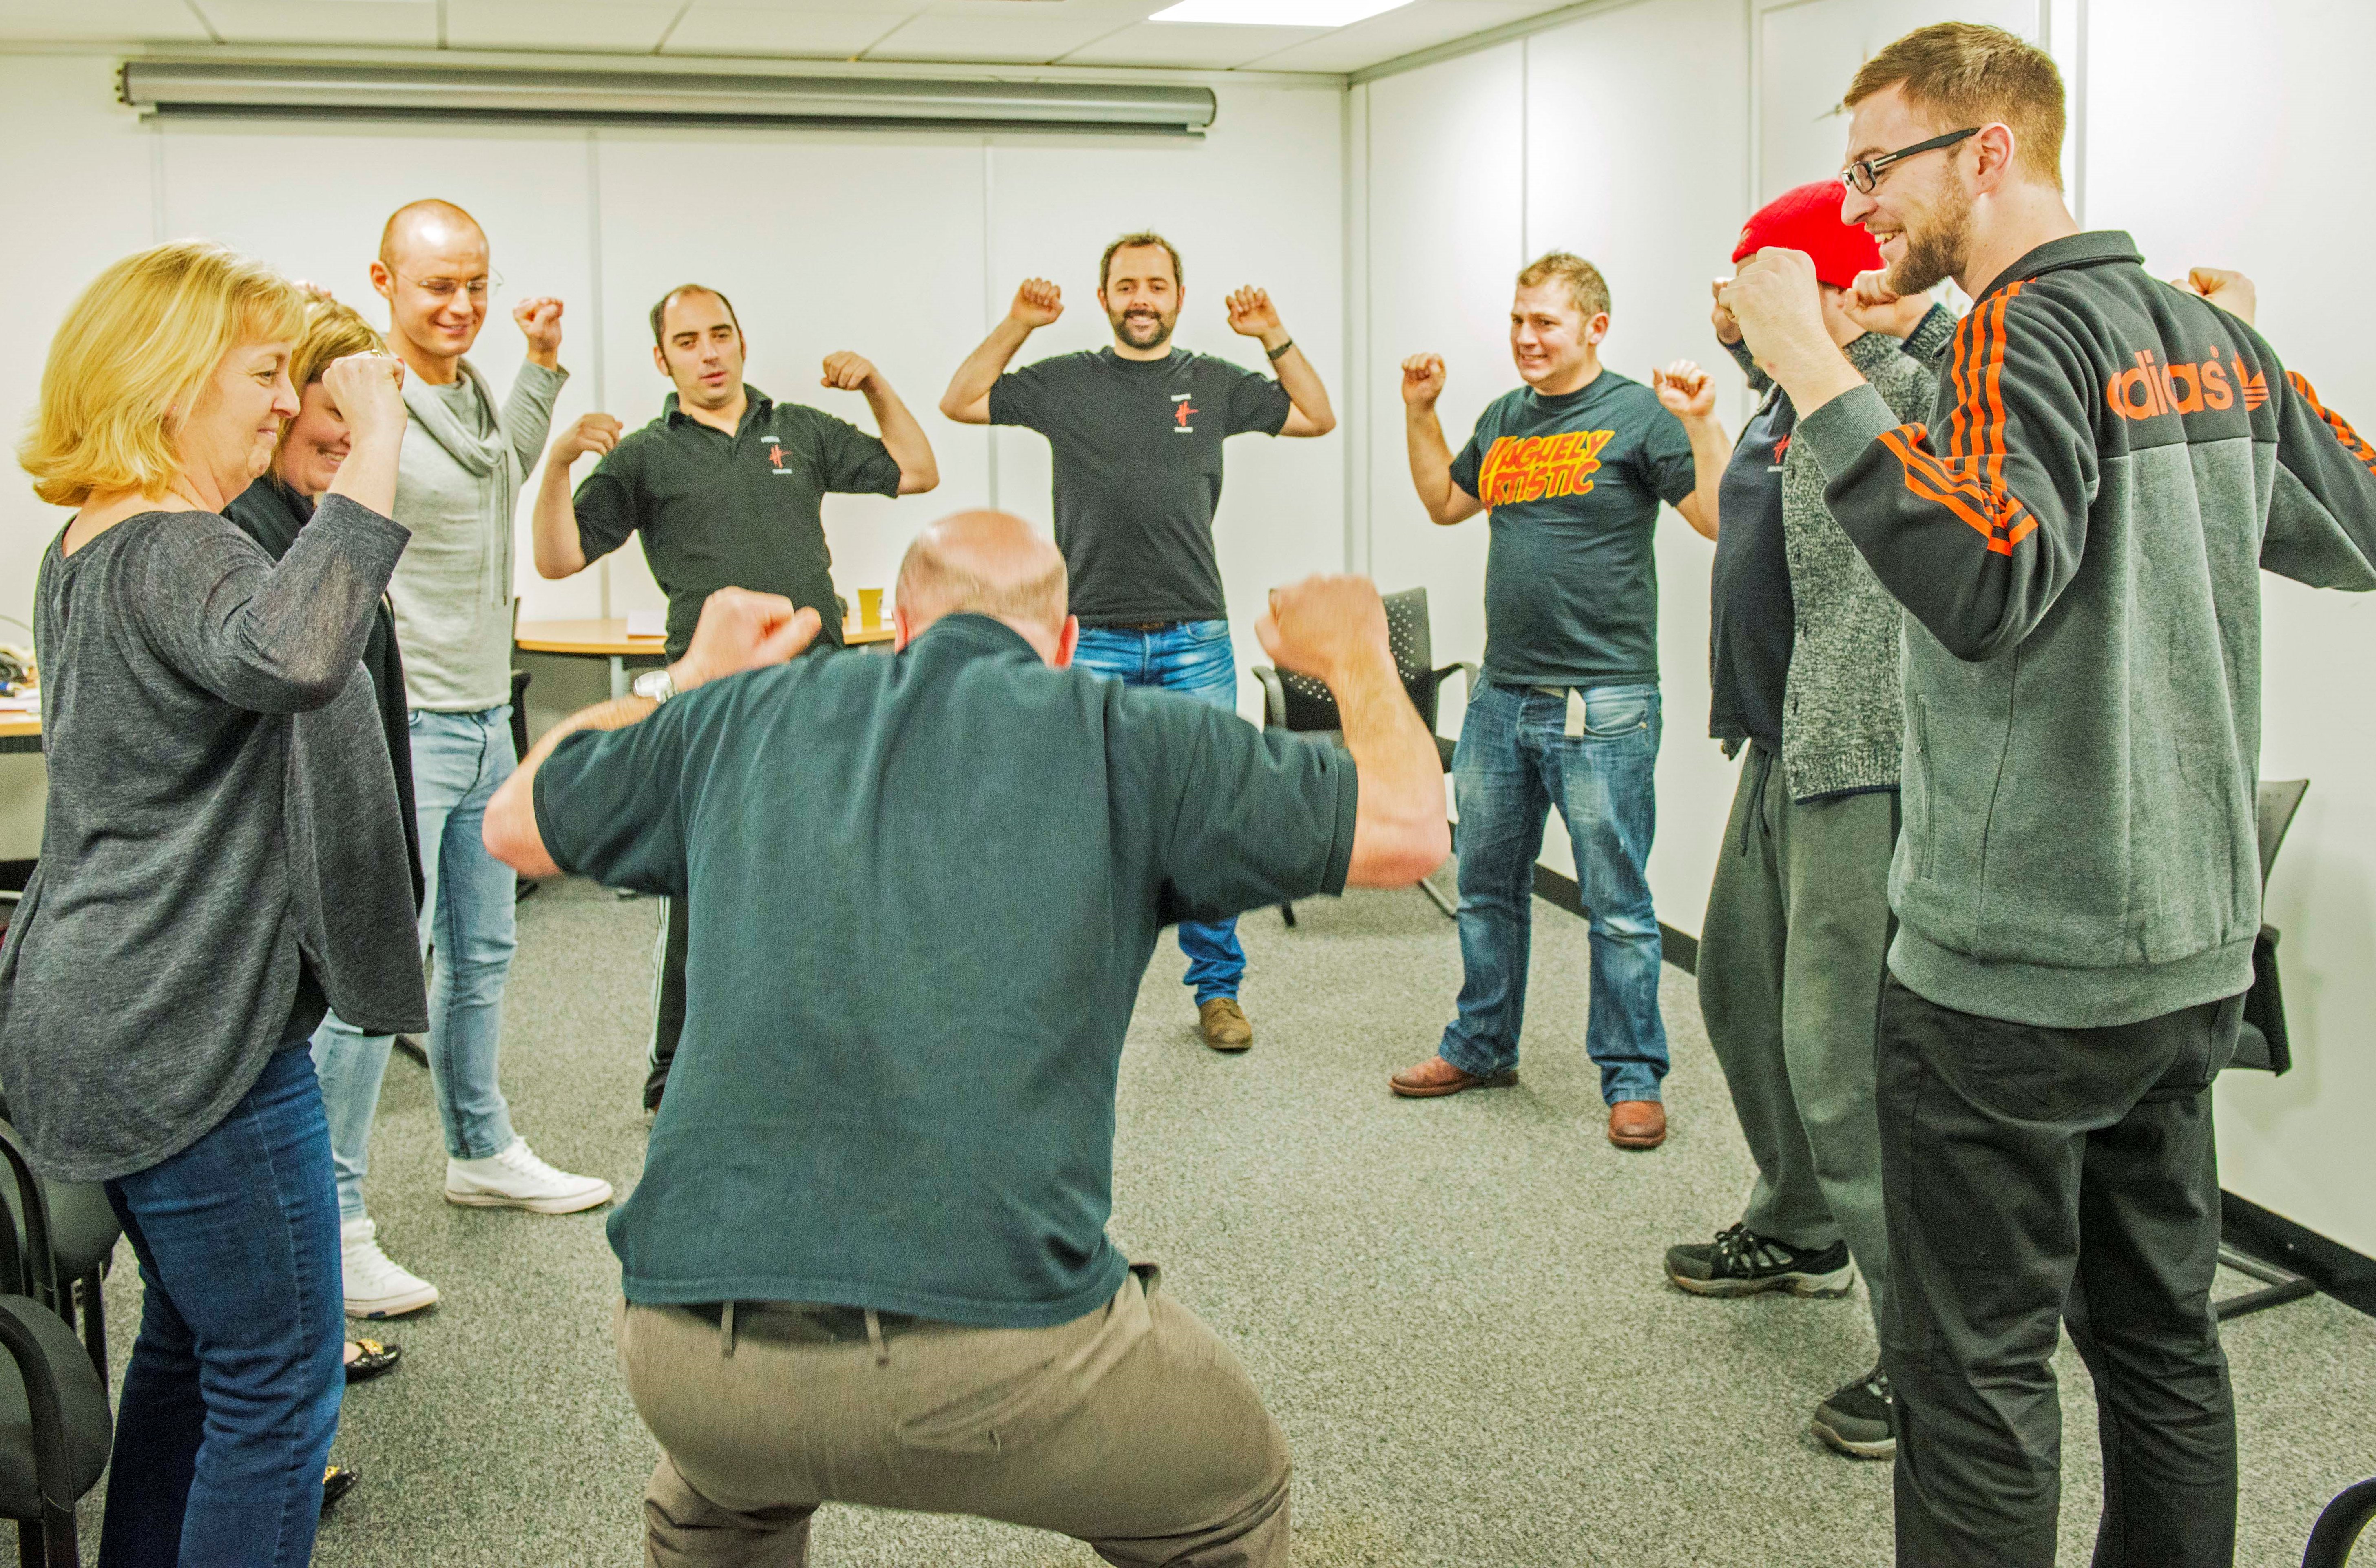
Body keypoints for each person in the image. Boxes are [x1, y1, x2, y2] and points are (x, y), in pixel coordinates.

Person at [481, 515, 1449, 1568]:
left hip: (687, 1349)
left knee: (716, 1495)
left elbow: (516, 822)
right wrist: (1355, 649)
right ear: (1068, 639)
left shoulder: (741, 714)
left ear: (896, 627)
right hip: (1004, 1361)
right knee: (1231, 1484)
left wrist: (695, 673)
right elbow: (1408, 828)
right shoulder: (1134, 734)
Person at [1720, 22, 2376, 1566]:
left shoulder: (2009, 337)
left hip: (2014, 968)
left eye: (1877, 165)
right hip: (2187, 956)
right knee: (2158, 1340)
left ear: (1987, 154)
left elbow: (1979, 575)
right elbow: (2354, 520)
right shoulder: (2194, 331)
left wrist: (1809, 361)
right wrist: (2233, 368)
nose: (1854, 197)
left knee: (1973, 1376)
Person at [1, 239, 423, 1566]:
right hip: (186, 1033)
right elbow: (297, 655)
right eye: (263, 375)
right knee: (279, 1380)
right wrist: (382, 439)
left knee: (194, 1349)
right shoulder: (175, 541)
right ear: (170, 378)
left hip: (109, 1006)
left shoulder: (93, 542)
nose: (288, 405)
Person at [1663, 182, 1953, 1462]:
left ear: (1839, 287)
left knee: (1844, 1062)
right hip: (1782, 743)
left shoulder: (1894, 380)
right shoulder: (1787, 396)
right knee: (1738, 991)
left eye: (1756, 278)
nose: (1730, 301)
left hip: (1867, 753)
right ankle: (1798, 1223)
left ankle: (1930, 1355)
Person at [529, 281, 940, 1110]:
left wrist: (874, 386)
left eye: (721, 334)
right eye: (688, 341)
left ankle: (840, 1047)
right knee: (707, 877)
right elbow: (559, 558)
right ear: (663, 359)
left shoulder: (801, 429)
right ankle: (677, 1065)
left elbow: (919, 472)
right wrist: (561, 461)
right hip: (711, 692)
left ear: (742, 341)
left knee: (835, 867)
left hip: (817, 682)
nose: (709, 352)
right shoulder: (645, 454)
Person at [938, 232, 1338, 1052]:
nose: (1142, 298)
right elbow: (961, 399)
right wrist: (1018, 323)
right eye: (1126, 286)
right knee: (1082, 823)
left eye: (1156, 285)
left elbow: (1317, 416)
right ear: (1105, 298)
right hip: (1092, 640)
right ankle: (1077, 988)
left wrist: (1272, 333)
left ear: (1178, 298)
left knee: (1208, 818)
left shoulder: (1214, 384)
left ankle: (1218, 992)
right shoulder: (1066, 382)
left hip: (1196, 635)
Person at [1390, 252, 1726, 1152]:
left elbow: (1720, 519)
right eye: (1518, 321)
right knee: (1486, 889)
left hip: (1604, 703)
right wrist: (1421, 413)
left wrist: (1700, 421)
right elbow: (1441, 503)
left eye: (1545, 323)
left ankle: (1631, 1077)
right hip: (1503, 697)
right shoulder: (1503, 417)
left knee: (1616, 902)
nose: (1528, 339)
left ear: (1594, 328)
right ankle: (1481, 1044)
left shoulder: (1637, 414)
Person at [352, 197, 610, 1218]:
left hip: (480, 716)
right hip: (403, 722)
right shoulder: (369, 405)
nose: (462, 305)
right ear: (384, 284)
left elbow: (501, 462)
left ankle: (481, 1147)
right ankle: (335, 1214)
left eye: (477, 285)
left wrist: (540, 362)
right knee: (381, 976)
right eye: (437, 286)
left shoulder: (466, 400)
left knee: (485, 952)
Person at [226, 298, 431, 1379]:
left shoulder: (307, 520)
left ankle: (306, 1327)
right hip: (272, 923)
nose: (350, 429)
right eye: (330, 399)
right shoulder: (245, 536)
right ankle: (299, 1349)